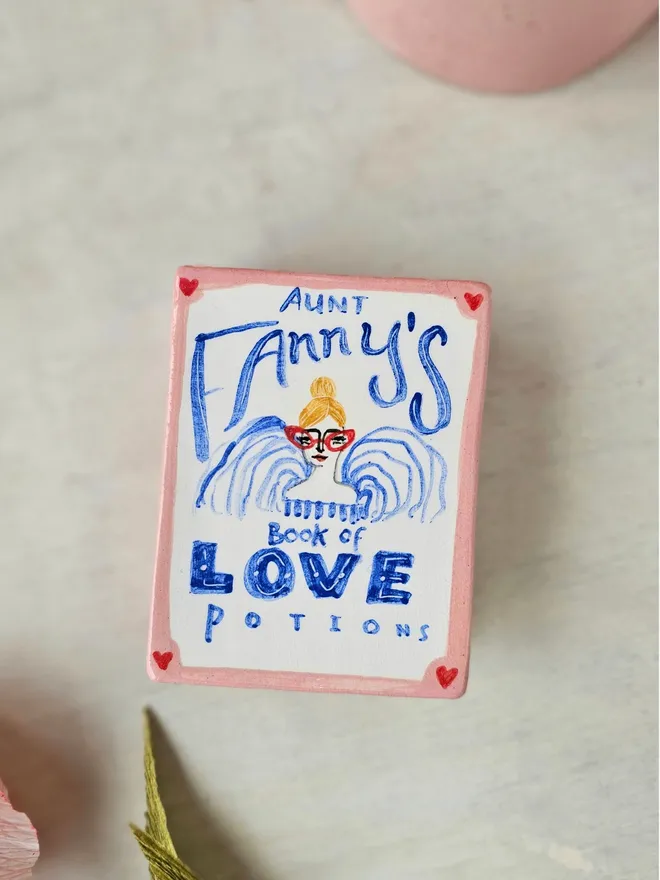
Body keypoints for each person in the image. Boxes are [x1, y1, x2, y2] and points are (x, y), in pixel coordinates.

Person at [284, 377, 357, 503]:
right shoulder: (293, 495)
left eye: (332, 440)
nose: (320, 448)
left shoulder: (349, 497)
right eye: (311, 438)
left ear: (343, 441)